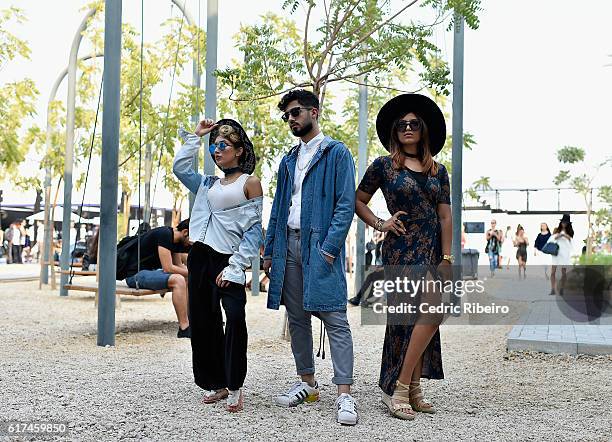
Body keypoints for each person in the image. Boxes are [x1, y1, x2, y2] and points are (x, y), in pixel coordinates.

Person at [263, 89, 358, 425]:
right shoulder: (289, 159)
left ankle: (344, 394)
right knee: (298, 318)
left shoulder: (336, 152)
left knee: (334, 318)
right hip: (287, 243)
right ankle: (307, 383)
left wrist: (330, 248)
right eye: (287, 114)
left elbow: (346, 204)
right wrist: (269, 248)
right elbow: (279, 206)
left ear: (314, 112)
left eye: (296, 112)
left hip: (319, 245)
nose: (291, 118)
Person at [355, 93, 452, 420]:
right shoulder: (384, 165)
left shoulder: (439, 171)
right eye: (401, 125)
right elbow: (358, 200)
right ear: (394, 131)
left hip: (432, 246)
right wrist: (381, 223)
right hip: (401, 245)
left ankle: (408, 385)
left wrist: (447, 257)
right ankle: (402, 387)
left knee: (432, 311)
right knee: (405, 317)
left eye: (413, 124)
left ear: (423, 129)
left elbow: (446, 217)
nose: (407, 128)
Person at [174, 118, 263, 413]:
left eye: (222, 145)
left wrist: (237, 267)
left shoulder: (249, 183)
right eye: (214, 146)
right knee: (203, 321)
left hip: (229, 259)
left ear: (238, 150)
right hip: (201, 256)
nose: (216, 150)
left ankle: (236, 383)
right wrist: (196, 138)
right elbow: (181, 169)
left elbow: (253, 231)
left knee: (235, 316)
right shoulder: (207, 184)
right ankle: (216, 382)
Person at [123, 220, 191, 337]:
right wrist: (193, 272)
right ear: (185, 232)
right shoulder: (165, 234)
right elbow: (168, 268)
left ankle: (190, 320)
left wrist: (193, 274)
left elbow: (178, 266)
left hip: (151, 272)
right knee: (178, 280)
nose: (193, 243)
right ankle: (184, 328)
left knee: (186, 279)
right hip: (135, 275)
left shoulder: (175, 241)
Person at [548, 214, 574, 296]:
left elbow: (571, 241)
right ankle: (552, 289)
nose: (564, 224)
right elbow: (551, 239)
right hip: (556, 253)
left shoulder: (570, 232)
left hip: (565, 254)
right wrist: (559, 236)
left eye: (566, 222)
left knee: (563, 272)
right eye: (563, 222)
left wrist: (566, 236)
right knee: (553, 272)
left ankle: (562, 289)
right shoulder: (556, 230)